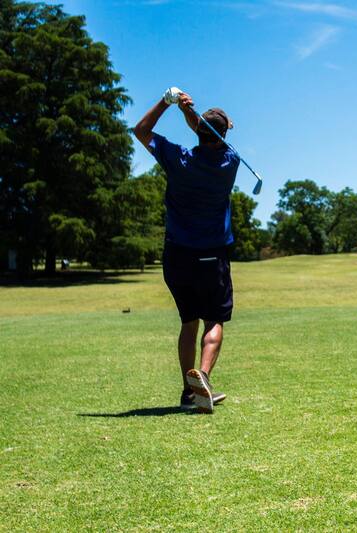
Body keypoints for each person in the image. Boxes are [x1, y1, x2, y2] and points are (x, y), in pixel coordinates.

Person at [133, 88, 239, 413]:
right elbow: (206, 133)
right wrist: (188, 113)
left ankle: (188, 393)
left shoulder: (177, 157)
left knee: (188, 321)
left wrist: (171, 103)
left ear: (200, 131)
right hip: (212, 256)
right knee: (215, 322)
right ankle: (203, 377)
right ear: (223, 133)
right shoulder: (230, 161)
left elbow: (141, 131)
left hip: (177, 257)